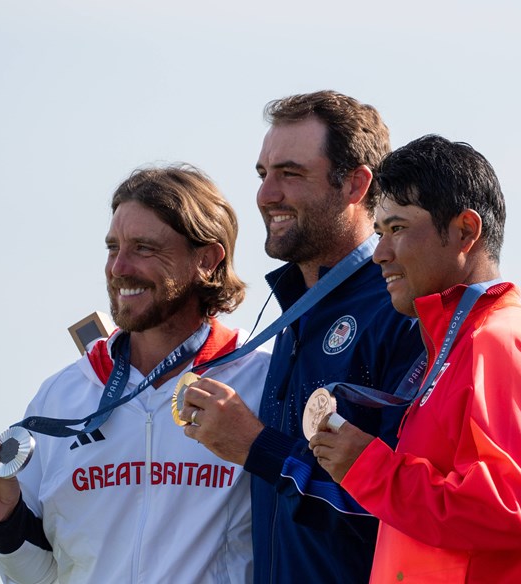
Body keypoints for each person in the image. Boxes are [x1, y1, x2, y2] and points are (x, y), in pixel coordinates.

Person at [309, 135, 521, 583]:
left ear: (466, 231)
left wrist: (371, 468)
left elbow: (520, 508)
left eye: (399, 229)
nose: (380, 255)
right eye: (379, 233)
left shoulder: (502, 343)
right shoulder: (463, 345)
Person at [0, 165, 271, 583]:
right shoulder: (62, 396)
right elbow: (42, 577)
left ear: (207, 260)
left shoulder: (262, 380)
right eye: (112, 247)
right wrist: (4, 522)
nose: (119, 266)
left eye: (144, 248)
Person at [179, 91, 425, 583]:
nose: (266, 195)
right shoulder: (295, 310)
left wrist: (256, 446)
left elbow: (403, 514)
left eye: (290, 174)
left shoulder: (401, 311)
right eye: (262, 174)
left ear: (356, 185)